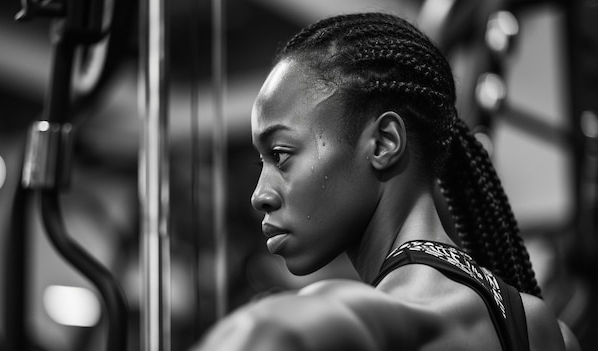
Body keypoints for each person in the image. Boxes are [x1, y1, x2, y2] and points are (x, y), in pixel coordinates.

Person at [194, 12, 580, 351]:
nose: (259, 195)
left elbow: (260, 332)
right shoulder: (543, 330)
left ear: (384, 143)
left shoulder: (394, 314)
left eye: (280, 155)